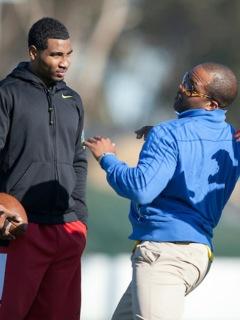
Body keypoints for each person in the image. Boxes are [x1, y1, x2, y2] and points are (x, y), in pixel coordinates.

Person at [84, 62, 240, 320]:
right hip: (197, 255)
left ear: (212, 104)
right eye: (185, 79)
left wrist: (108, 159)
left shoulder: (169, 133)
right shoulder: (231, 139)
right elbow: (199, 144)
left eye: (191, 87)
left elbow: (141, 188)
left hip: (166, 254)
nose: (181, 87)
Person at [0, 17, 88, 320]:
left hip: (66, 229)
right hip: (19, 230)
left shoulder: (72, 100)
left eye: (68, 55)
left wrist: (81, 218)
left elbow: (78, 159)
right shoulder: (7, 93)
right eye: (55, 55)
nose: (64, 63)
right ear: (33, 52)